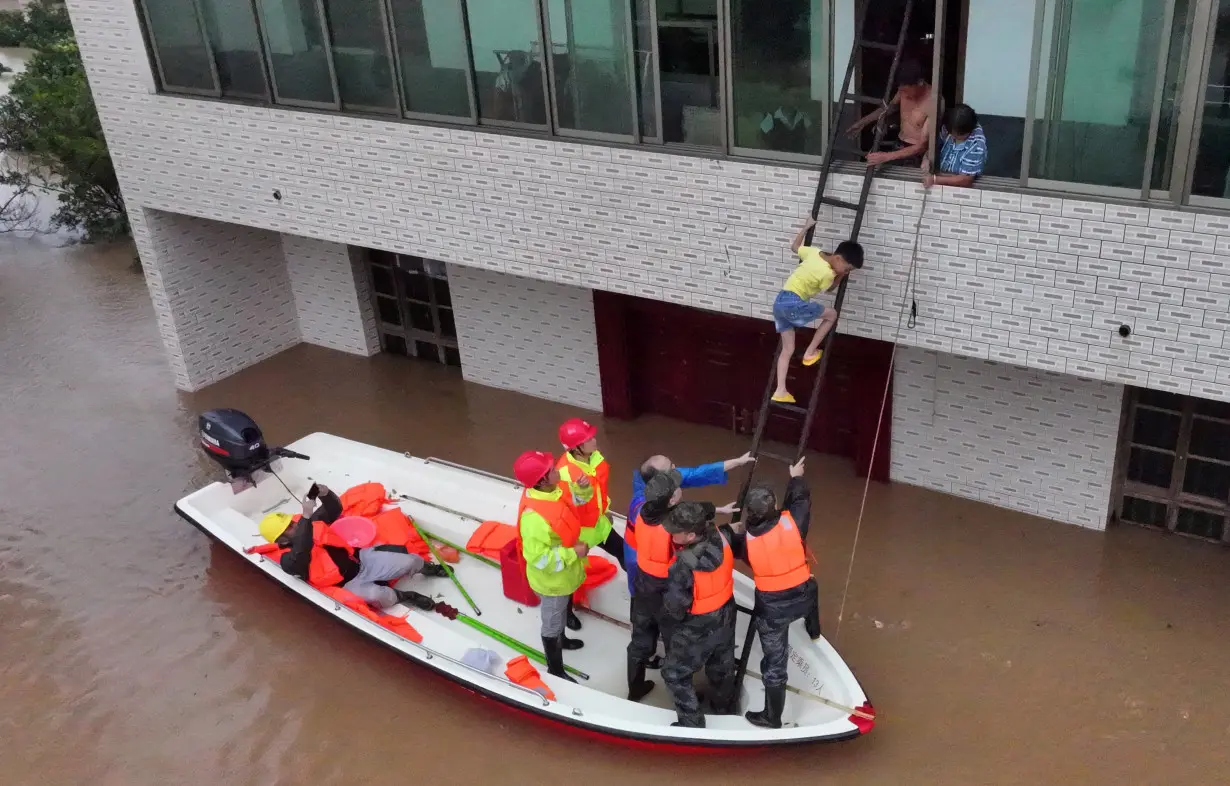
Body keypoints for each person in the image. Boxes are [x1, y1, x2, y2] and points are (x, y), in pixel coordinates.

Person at [626, 470, 737, 699]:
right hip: (668, 587)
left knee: (639, 640)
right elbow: (695, 518)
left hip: (643, 585)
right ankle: (678, 690)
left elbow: (695, 509)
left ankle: (635, 689)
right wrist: (723, 520)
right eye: (675, 491)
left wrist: (715, 509)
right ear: (672, 500)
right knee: (674, 641)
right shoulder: (674, 530)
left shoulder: (641, 512)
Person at [728, 457, 821, 729]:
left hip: (772, 608)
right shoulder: (794, 523)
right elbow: (801, 500)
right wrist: (795, 477)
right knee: (813, 588)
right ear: (774, 506)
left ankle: (772, 717)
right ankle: (814, 629)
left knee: (775, 664)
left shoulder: (744, 540)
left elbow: (729, 547)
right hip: (803, 593)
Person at [257, 484, 449, 610]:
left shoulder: (310, 523)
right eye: (289, 528)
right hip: (348, 584)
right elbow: (302, 549)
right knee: (381, 596)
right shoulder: (288, 561)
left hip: (362, 560)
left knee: (411, 560)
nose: (295, 525)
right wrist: (306, 518)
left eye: (292, 522)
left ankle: (430, 569)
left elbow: (334, 508)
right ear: (281, 541)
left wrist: (325, 493)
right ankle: (407, 596)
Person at [625, 450, 756, 591]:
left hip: (659, 553)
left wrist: (737, 461)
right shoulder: (645, 510)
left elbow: (696, 474)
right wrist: (727, 530)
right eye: (672, 468)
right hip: (639, 556)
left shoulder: (657, 486)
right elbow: (687, 527)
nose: (676, 468)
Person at [660, 501, 739, 728]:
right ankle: (724, 708)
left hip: (699, 623)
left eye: (676, 532)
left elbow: (675, 606)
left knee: (674, 673)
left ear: (691, 535)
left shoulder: (682, 566)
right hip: (726, 611)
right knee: (722, 664)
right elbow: (708, 511)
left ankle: (692, 722)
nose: (671, 534)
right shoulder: (720, 537)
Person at [514, 450, 588, 682]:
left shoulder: (555, 490)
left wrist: (583, 488)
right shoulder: (533, 518)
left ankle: (563, 640)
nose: (558, 468)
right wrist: (572, 553)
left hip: (565, 574)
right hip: (552, 582)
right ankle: (555, 669)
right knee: (551, 625)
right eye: (552, 468)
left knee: (563, 606)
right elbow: (539, 559)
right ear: (543, 480)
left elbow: (578, 502)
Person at [771, 218, 864, 403]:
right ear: (838, 258)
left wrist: (806, 227)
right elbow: (829, 289)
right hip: (793, 303)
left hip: (779, 302)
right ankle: (810, 352)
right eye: (846, 268)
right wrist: (840, 277)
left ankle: (780, 390)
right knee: (832, 315)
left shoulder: (814, 252)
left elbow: (795, 246)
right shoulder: (828, 274)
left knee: (787, 349)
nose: (845, 271)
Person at [556, 418, 625, 572]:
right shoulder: (565, 474)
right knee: (571, 572)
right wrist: (571, 544)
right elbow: (564, 510)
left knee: (624, 552)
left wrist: (605, 511)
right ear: (576, 448)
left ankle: (638, 587)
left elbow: (600, 491)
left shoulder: (594, 459)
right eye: (588, 439)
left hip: (599, 524)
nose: (594, 440)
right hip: (580, 533)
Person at [845, 59, 938, 169]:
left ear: (920, 83)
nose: (905, 95)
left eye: (907, 91)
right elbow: (887, 108)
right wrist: (862, 122)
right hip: (899, 144)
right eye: (902, 91)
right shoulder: (903, 90)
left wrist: (886, 157)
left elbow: (922, 145)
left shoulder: (933, 102)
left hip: (918, 154)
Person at [924, 103, 987, 189]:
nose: (952, 137)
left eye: (956, 135)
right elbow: (935, 147)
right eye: (951, 133)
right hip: (940, 175)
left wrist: (935, 180)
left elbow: (966, 180)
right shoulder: (949, 126)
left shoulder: (977, 145)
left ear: (968, 131)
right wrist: (926, 158)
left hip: (958, 188)